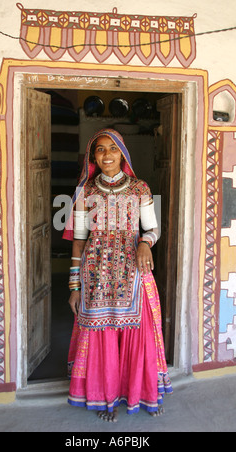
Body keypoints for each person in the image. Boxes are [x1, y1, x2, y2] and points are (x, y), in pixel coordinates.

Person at [63, 128, 172, 423]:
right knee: (101, 334)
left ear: (122, 153)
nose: (107, 154)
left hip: (134, 275)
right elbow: (79, 239)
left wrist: (144, 243)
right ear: (93, 156)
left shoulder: (140, 188)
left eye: (112, 148)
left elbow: (152, 228)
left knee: (139, 335)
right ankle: (105, 397)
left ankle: (141, 392)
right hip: (96, 274)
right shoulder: (86, 191)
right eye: (100, 149)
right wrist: (75, 286)